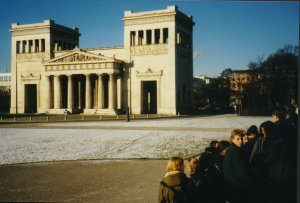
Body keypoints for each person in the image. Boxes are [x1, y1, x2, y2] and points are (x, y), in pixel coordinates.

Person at [223, 129, 248, 203]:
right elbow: (240, 171)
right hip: (236, 187)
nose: (240, 141)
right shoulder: (234, 151)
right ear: (232, 139)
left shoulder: (234, 149)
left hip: (234, 186)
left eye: (241, 139)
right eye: (238, 139)